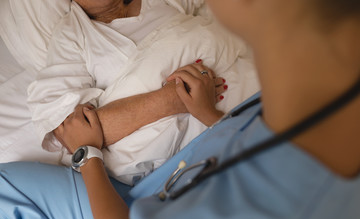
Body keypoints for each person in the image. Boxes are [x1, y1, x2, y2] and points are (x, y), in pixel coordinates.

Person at [1, 0, 360, 219]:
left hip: (140, 195)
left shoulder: (244, 214)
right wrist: (206, 114)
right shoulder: (289, 106)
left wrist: (88, 155)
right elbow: (63, 123)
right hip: (208, 140)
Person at [27, 0, 255, 184]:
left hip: (249, 106)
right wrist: (170, 99)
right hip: (182, 163)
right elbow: (72, 132)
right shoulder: (71, 34)